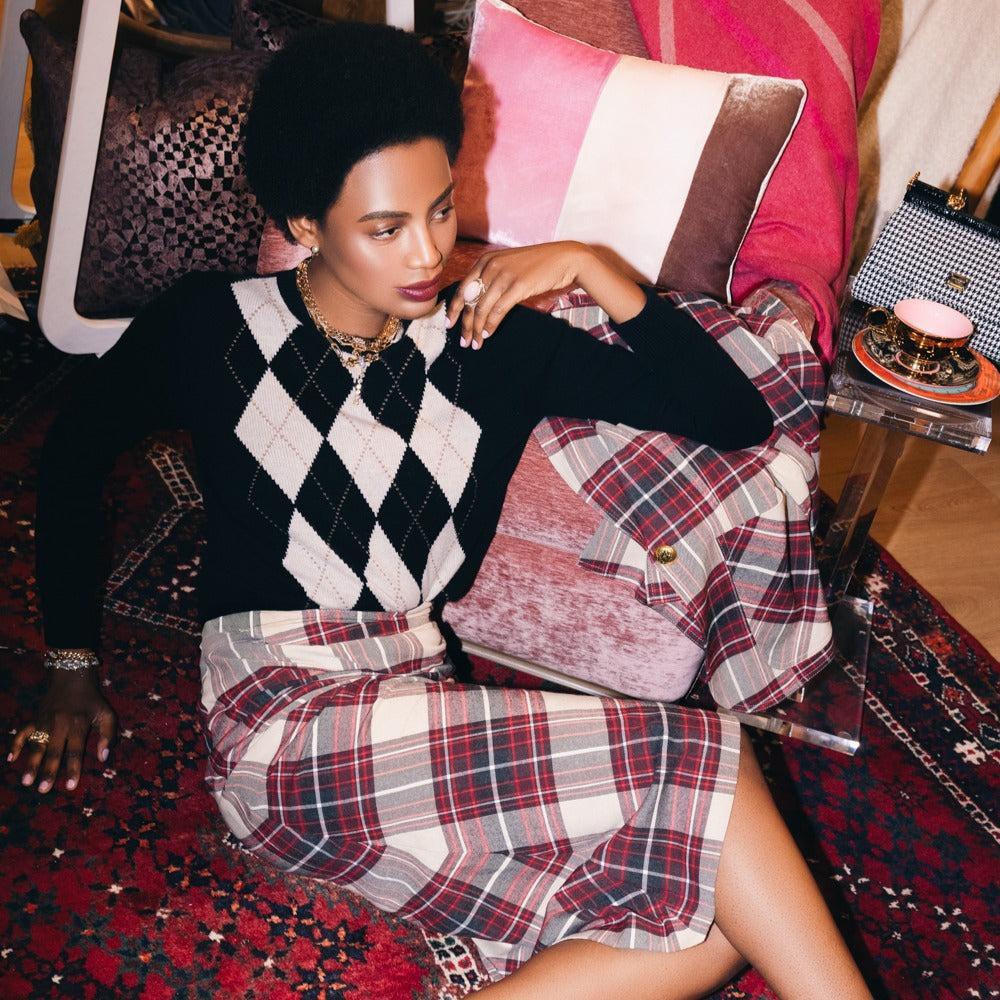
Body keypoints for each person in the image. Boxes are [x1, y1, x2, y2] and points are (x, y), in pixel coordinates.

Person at [10, 23, 871, 1000]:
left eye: (441, 208)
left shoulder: (490, 345)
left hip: (414, 700)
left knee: (714, 920)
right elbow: (74, 451)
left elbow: (732, 417)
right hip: (283, 729)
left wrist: (595, 268)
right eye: (386, 228)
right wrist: (71, 661)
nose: (428, 252)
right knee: (707, 764)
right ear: (304, 221)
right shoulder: (211, 325)